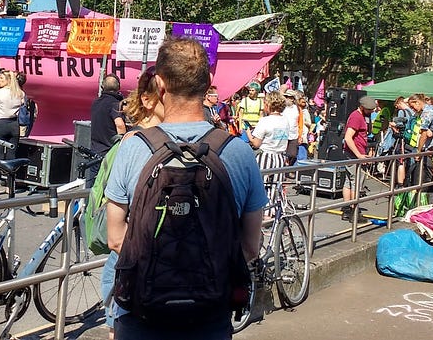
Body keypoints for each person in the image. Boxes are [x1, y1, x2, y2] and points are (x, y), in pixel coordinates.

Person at [104, 37, 266, 339]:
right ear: (208, 83)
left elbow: (115, 239)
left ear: (160, 85)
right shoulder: (238, 153)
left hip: (142, 314)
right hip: (210, 315)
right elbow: (250, 247)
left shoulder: (133, 147)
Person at [99, 66, 165, 340]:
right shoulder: (207, 142)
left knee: (112, 274)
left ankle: (115, 327)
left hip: (134, 247)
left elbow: (116, 236)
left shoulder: (132, 142)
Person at [244, 90, 290, 205]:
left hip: (266, 156)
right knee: (276, 185)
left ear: (269, 104)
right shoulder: (285, 120)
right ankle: (273, 208)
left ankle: (263, 210)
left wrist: (249, 133)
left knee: (262, 185)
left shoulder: (265, 121)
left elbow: (256, 143)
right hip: (280, 156)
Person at [0, 70, 24, 196]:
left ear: (7, 80)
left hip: (0, 124)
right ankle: (10, 186)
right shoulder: (20, 93)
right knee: (12, 157)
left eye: (1, 78)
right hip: (14, 125)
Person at [340, 95, 377, 220]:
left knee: (349, 181)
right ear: (362, 107)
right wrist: (359, 155)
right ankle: (353, 211)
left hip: (354, 153)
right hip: (354, 155)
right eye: (369, 109)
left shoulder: (361, 116)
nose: (371, 112)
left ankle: (346, 208)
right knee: (356, 183)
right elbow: (348, 137)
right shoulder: (356, 117)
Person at [89, 73, 126, 187]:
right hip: (109, 154)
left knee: (93, 189)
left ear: (102, 87)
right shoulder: (115, 104)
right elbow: (119, 125)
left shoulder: (95, 103)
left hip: (95, 151)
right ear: (119, 87)